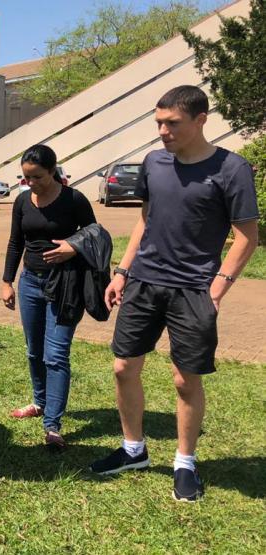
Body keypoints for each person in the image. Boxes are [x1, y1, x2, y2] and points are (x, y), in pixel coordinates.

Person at [89, 85, 259, 502]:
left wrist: (217, 289)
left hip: (193, 289)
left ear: (201, 120)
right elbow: (147, 220)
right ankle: (134, 449)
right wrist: (123, 271)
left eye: (173, 123)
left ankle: (185, 462)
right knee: (123, 368)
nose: (163, 131)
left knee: (185, 380)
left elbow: (246, 238)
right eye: (159, 123)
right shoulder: (154, 163)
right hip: (144, 281)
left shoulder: (231, 169)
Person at [1, 145, 97, 450]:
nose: (31, 183)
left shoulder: (74, 200)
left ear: (54, 171)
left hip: (65, 285)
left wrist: (72, 247)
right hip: (30, 282)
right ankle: (39, 402)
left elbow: (95, 234)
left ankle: (52, 425)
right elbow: (16, 242)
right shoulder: (21, 201)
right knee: (34, 350)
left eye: (37, 177)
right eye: (26, 177)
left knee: (56, 355)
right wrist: (7, 281)